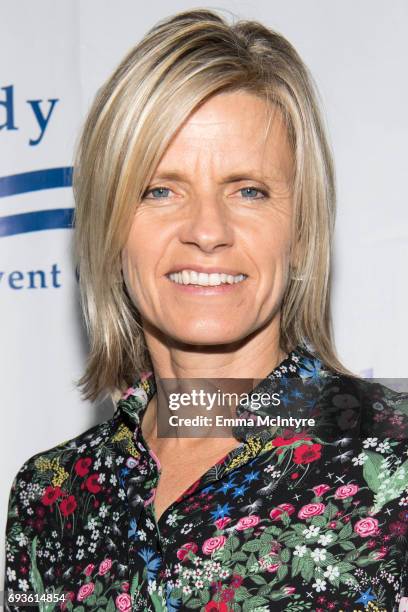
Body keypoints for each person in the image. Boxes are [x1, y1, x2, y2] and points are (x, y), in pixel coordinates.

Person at [3, 8, 408, 612]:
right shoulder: (51, 496)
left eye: (249, 190)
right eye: (160, 189)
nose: (207, 230)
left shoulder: (393, 459)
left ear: (300, 228)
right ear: (110, 227)